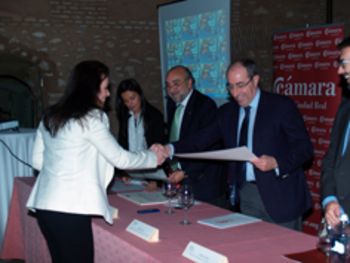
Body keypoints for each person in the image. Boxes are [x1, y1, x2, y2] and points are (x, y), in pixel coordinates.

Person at [26, 60, 166, 263]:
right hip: (70, 208)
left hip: (45, 206)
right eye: (105, 87)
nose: (108, 93)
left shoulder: (51, 115)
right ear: (91, 88)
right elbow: (120, 158)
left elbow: (37, 162)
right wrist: (154, 156)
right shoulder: (92, 118)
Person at [167, 59, 313, 230]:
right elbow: (201, 139)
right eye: (230, 86)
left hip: (281, 195)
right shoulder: (227, 112)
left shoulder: (281, 106)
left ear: (255, 80)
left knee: (284, 253)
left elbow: (304, 148)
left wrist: (276, 162)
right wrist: (170, 148)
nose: (235, 93)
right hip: (246, 194)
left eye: (240, 85)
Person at [165, 65, 225, 206]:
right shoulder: (172, 105)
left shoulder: (205, 105)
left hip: (204, 184)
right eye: (168, 86)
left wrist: (185, 172)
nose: (172, 90)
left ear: (190, 83)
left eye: (176, 84)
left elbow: (208, 145)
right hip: (180, 180)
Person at [116, 78, 166, 189]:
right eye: (126, 101)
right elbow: (122, 147)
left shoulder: (154, 116)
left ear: (140, 95)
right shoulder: (125, 117)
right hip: (132, 175)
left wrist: (156, 181)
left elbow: (160, 150)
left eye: (132, 98)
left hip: (153, 174)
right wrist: (123, 173)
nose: (130, 104)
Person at [321, 36, 350, 227]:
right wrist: (329, 199)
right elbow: (332, 157)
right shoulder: (345, 107)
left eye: (344, 63)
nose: (340, 70)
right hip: (340, 219)